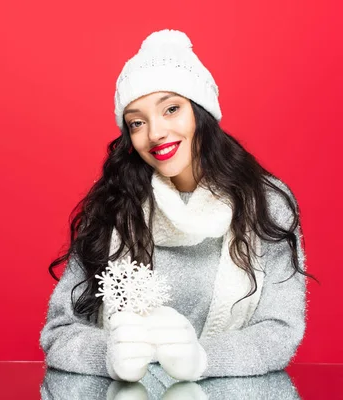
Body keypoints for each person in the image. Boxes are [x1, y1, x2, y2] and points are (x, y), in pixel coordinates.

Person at [39, 28, 315, 382]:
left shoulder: (265, 201)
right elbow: (59, 330)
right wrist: (107, 356)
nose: (155, 133)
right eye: (137, 122)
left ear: (201, 112)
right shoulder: (115, 203)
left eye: (171, 109)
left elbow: (280, 331)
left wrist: (202, 360)